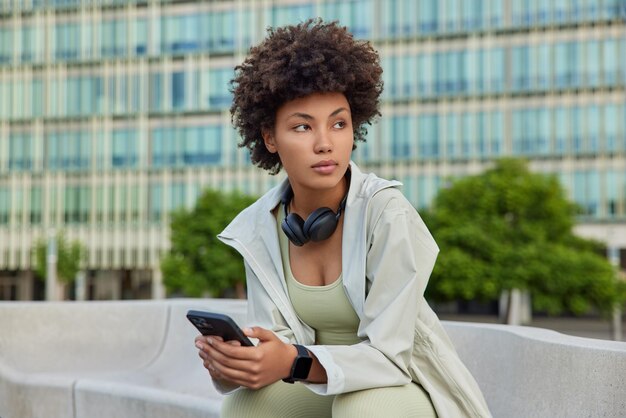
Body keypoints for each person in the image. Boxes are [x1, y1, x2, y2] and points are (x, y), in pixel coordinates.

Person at [194, 19, 491, 417]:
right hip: (322, 386)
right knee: (244, 408)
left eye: (339, 123)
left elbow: (390, 356)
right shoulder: (259, 226)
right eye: (302, 126)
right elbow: (278, 342)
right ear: (269, 138)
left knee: (362, 410)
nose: (325, 144)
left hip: (402, 387)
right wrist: (236, 367)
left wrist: (293, 361)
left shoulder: (386, 213)